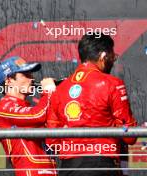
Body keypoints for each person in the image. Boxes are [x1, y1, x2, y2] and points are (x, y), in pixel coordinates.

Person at [46, 33, 137, 176]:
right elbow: (130, 136)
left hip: (68, 167)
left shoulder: (60, 89)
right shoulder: (112, 84)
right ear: (103, 56)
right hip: (102, 164)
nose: (113, 60)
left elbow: (52, 141)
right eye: (113, 56)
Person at [0, 56, 57, 176]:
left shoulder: (31, 106)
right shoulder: (3, 106)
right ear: (8, 81)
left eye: (30, 74)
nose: (31, 79)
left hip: (50, 170)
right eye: (25, 74)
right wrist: (49, 91)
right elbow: (37, 115)